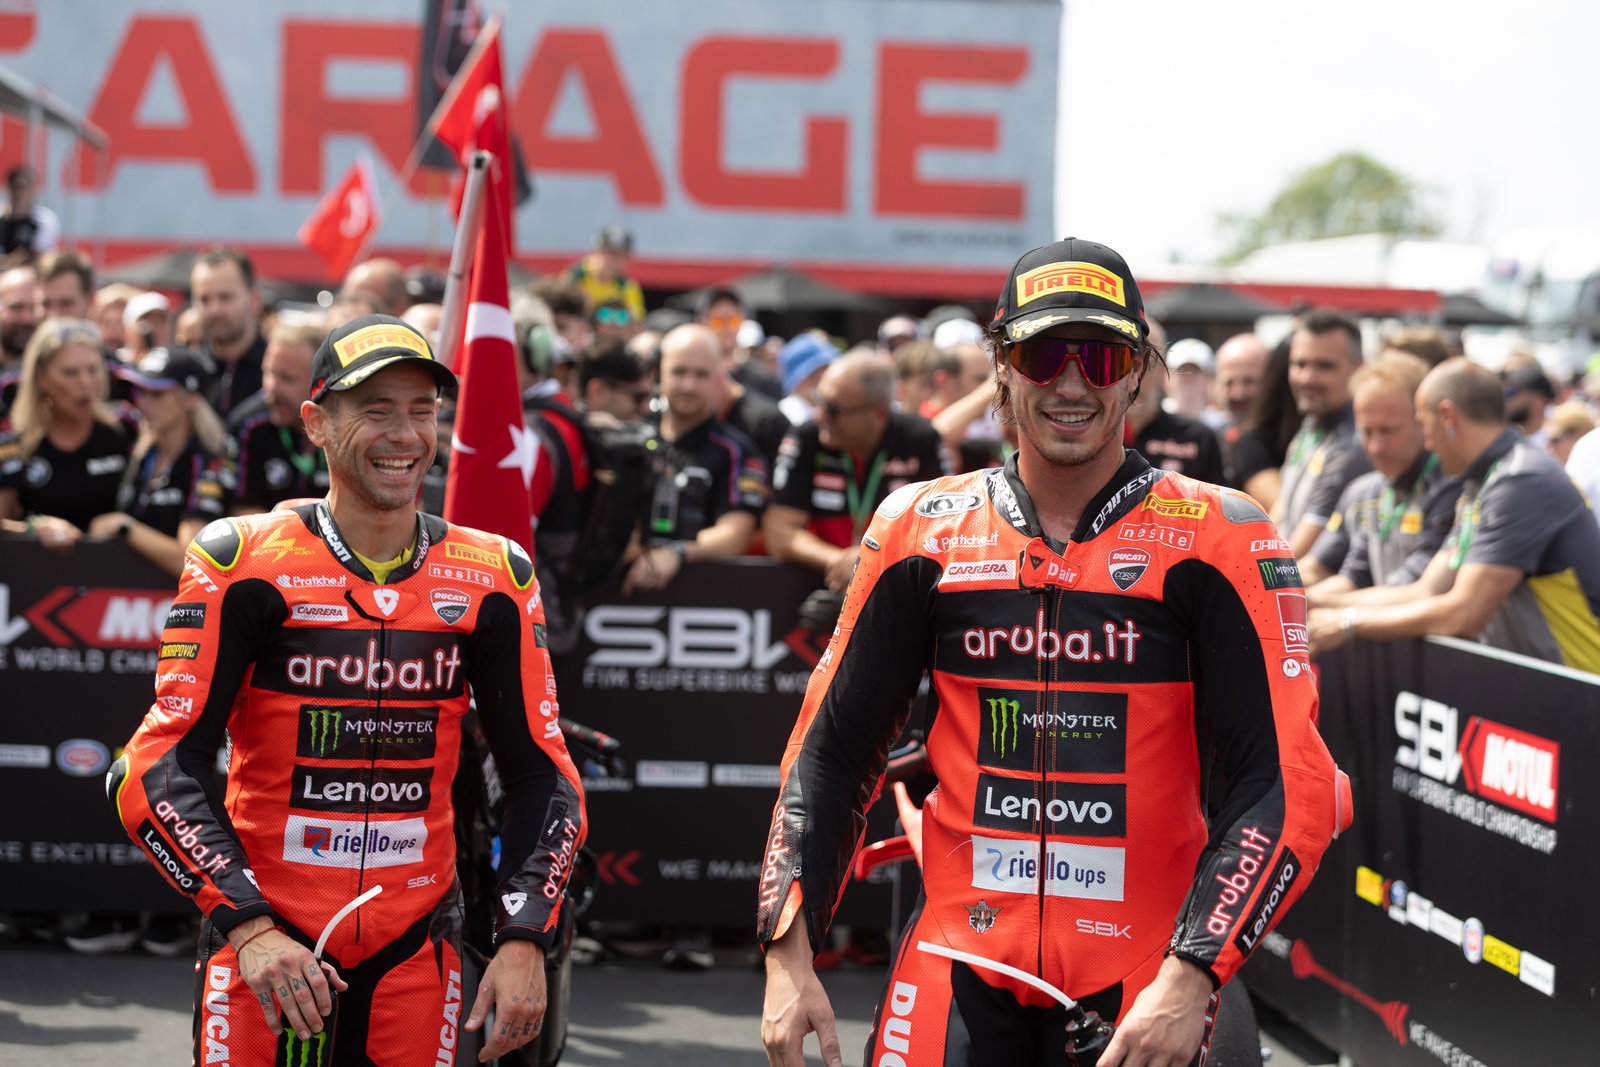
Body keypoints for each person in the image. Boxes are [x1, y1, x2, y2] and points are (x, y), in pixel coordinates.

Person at [759, 237, 1345, 1067]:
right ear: (1002, 366)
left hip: (1148, 974)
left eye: (1101, 356)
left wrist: (1192, 975)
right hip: (959, 959)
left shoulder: (1221, 536)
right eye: (1042, 354)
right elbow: (831, 750)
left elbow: (1287, 786)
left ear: (1137, 370)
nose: (1071, 383)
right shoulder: (919, 526)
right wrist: (789, 953)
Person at [108, 314, 588, 1064]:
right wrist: (248, 924)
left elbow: (543, 774)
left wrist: (524, 934)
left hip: (416, 951)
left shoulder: (496, 574)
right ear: (316, 423)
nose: (405, 434)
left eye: (423, 410)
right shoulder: (243, 561)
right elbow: (152, 764)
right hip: (270, 950)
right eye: (376, 409)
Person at [1309, 357, 1600, 673]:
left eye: (1423, 422)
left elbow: (1463, 614)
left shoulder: (1520, 481)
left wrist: (1348, 623)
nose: (1427, 441)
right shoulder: (1484, 482)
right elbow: (1423, 591)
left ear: (1447, 416)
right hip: (1555, 688)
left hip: (1583, 686)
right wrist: (1310, 603)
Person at [763, 349, 950, 592]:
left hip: (901, 591)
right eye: (818, 401)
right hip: (822, 588)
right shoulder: (805, 437)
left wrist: (869, 560)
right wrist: (837, 561)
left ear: (879, 413)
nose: (820, 416)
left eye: (833, 409)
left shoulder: (922, 439)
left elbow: (943, 533)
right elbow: (779, 532)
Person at [622, 323, 768, 597]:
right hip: (620, 596)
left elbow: (736, 535)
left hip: (708, 599)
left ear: (718, 378)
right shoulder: (630, 438)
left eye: (701, 374)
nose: (689, 385)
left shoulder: (737, 451)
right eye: (679, 372)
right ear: (659, 373)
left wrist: (676, 553)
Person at [1301, 354, 1458, 597]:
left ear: (1422, 421)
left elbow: (1411, 588)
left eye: (1388, 431)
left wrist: (1316, 608)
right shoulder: (1366, 491)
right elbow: (1351, 576)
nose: (1376, 446)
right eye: (1366, 432)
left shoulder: (1451, 488)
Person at [87, 347, 234, 578]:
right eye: (141, 392)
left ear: (191, 398)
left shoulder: (206, 460)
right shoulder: (140, 451)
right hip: (127, 598)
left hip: (180, 606)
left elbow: (191, 560)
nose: (144, 403)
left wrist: (124, 527)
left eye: (157, 394)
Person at [0, 319, 135, 546]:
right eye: (70, 373)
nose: (86, 383)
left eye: (93, 370)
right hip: (38, 575)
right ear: (41, 378)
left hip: (114, 575)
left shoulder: (123, 427)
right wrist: (35, 528)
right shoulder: (15, 438)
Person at [1272, 311, 1371, 557]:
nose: (1307, 378)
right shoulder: (1312, 423)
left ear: (1359, 370)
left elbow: (1298, 553)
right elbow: (1279, 515)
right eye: (1299, 364)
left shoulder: (1354, 443)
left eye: (1324, 366)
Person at [227, 321, 329, 513]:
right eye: (268, 373)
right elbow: (245, 514)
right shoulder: (250, 425)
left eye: (287, 378)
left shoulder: (344, 425)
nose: (271, 388)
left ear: (321, 382)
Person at [191, 246, 267, 418]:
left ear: (254, 299)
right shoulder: (187, 372)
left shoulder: (276, 371)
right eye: (204, 299)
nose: (214, 310)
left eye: (225, 297)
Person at [564, 223, 646, 323]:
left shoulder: (628, 287)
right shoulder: (575, 277)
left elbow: (636, 320)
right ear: (597, 251)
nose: (615, 260)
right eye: (610, 253)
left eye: (621, 256)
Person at [0, 164, 60, 256]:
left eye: (24, 187)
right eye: (16, 186)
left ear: (34, 189)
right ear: (8, 187)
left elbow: (41, 256)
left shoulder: (44, 220)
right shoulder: (2, 216)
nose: (20, 192)